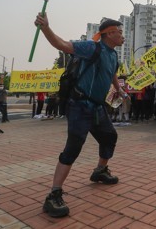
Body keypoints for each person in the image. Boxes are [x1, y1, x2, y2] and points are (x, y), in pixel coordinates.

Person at [35, 13, 126, 218]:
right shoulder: (91, 47)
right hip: (79, 105)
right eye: (120, 32)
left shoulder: (113, 54)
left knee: (109, 136)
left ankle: (100, 171)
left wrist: (118, 89)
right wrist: (45, 28)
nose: (122, 36)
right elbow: (62, 45)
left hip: (97, 107)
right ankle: (54, 194)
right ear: (109, 33)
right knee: (73, 146)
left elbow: (112, 72)